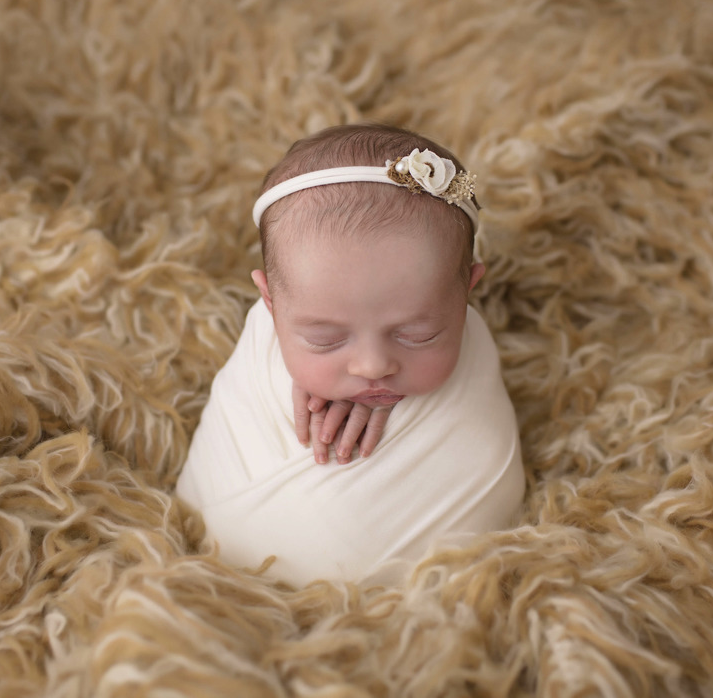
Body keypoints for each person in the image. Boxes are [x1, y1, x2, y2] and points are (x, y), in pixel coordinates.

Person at [176, 123, 524, 586]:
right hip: (218, 578)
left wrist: (322, 363)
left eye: (418, 334)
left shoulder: (461, 341)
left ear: (467, 292)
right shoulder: (269, 329)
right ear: (271, 304)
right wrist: (284, 375)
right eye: (326, 339)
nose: (373, 366)